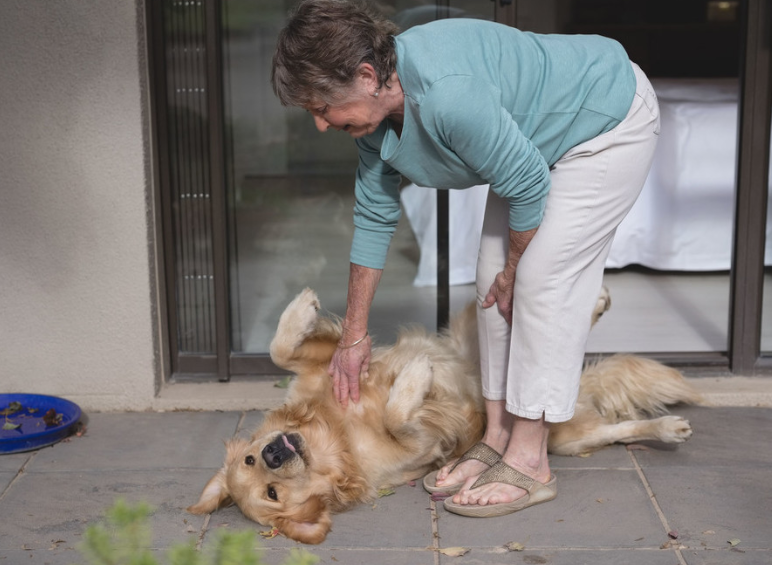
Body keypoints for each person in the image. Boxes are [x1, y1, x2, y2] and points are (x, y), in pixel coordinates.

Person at [271, 0, 659, 517]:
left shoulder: (447, 95)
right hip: (536, 146)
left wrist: (516, 269)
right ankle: (498, 436)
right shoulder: (375, 121)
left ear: (367, 75)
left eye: (323, 107)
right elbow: (373, 214)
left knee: (537, 282)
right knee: (487, 284)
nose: (321, 124)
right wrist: (353, 336)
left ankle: (531, 461)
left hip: (606, 120)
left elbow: (525, 183)